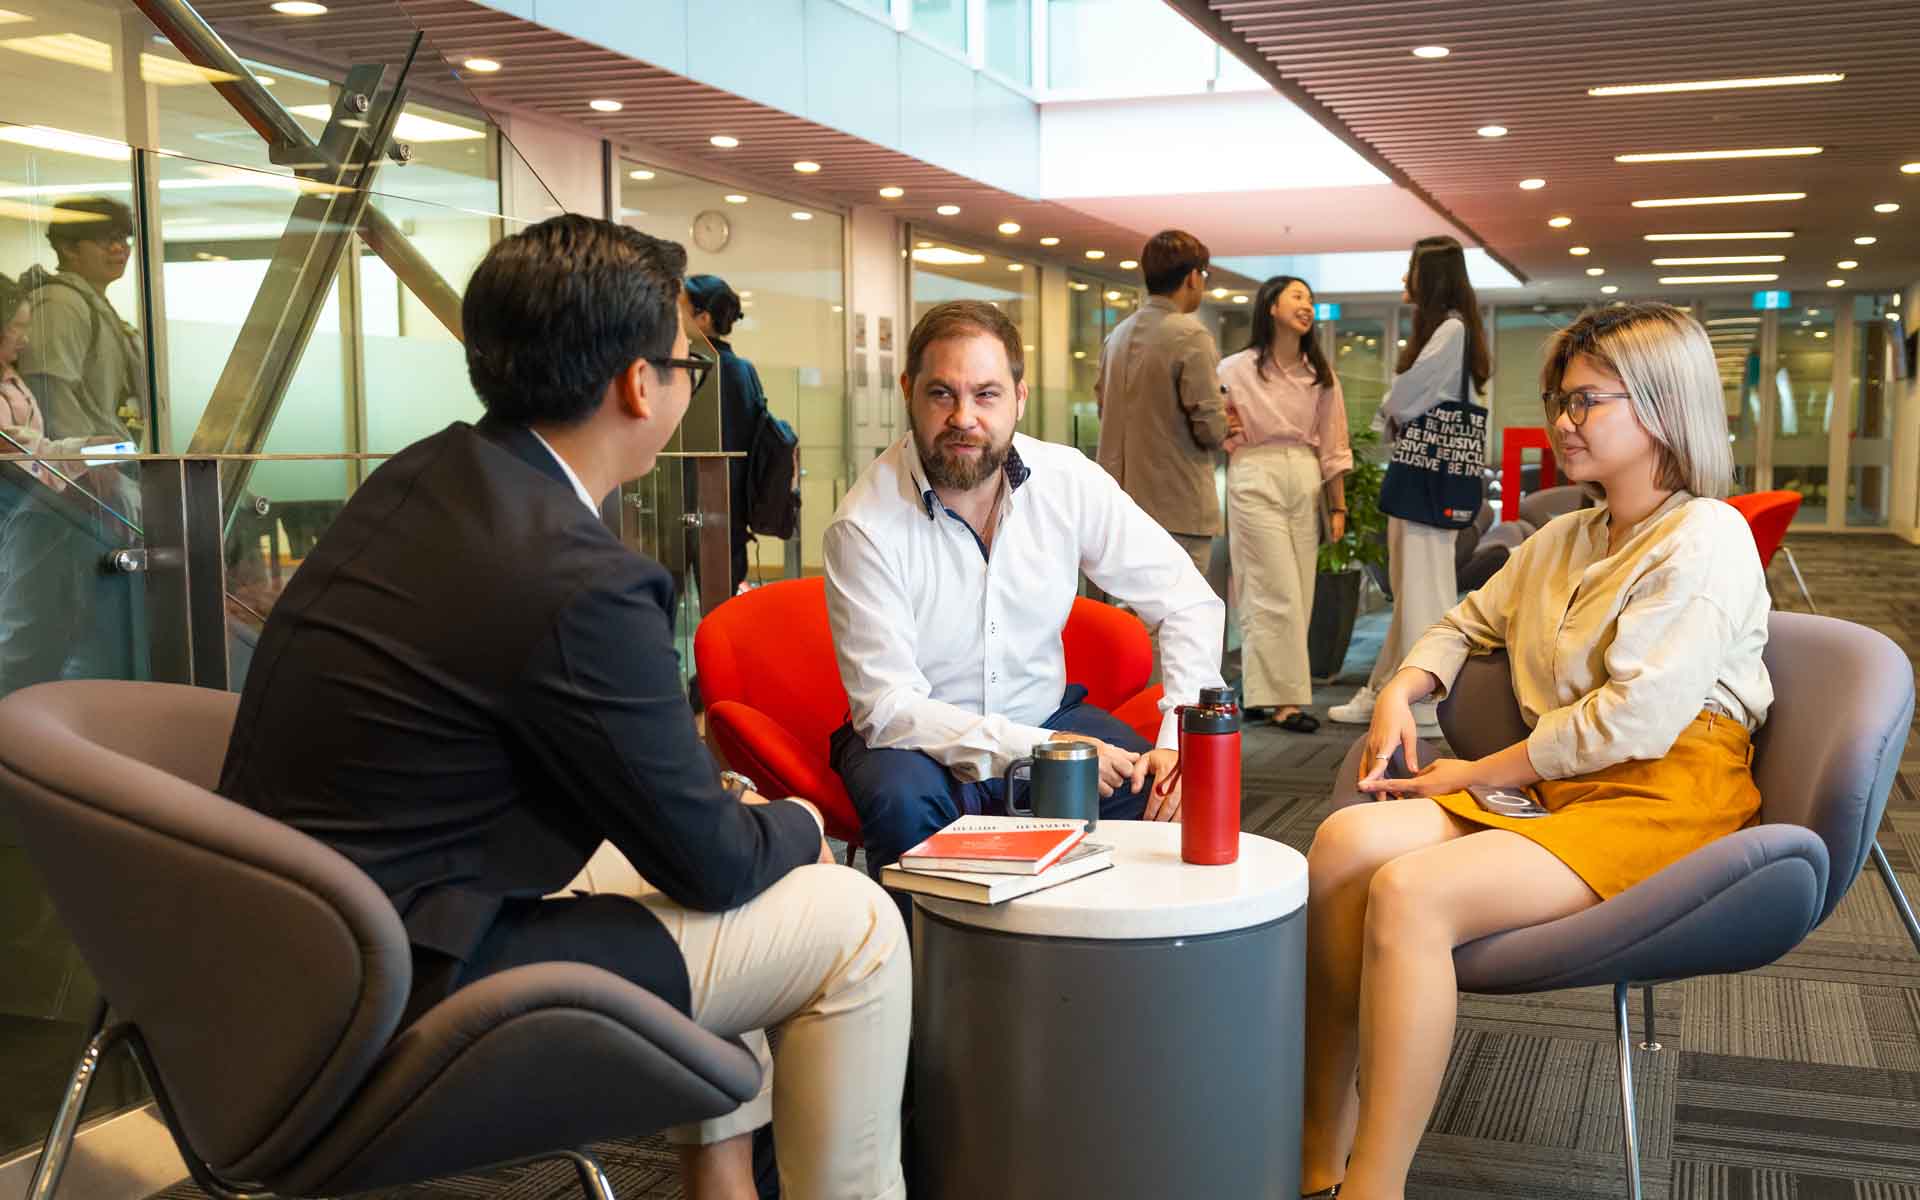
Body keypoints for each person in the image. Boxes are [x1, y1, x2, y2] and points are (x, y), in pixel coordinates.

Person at [218, 215, 910, 1200]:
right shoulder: (582, 578)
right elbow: (711, 867)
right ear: (639, 383)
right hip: (408, 987)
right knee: (852, 918)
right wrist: (797, 823)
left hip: (292, 942)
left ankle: (723, 1185)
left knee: (717, 867)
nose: (683, 384)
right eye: (687, 367)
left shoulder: (419, 479)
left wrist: (730, 829)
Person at [1298, 302, 1771, 1199]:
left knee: (1410, 891)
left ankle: (1375, 1186)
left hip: (1667, 793)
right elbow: (1459, 621)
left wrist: (1472, 772)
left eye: (1587, 400)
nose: (1563, 419)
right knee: (1342, 846)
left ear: (1662, 407)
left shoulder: (1707, 535)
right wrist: (1403, 688)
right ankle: (1321, 1145)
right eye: (1561, 398)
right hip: (1564, 783)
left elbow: (1635, 723)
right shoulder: (1564, 537)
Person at [825, 299, 1226, 877]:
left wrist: (1176, 741)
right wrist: (1040, 747)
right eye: (942, 393)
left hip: (1044, 716)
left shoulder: (1067, 482)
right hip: (916, 738)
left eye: (986, 394)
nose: (964, 416)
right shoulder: (865, 524)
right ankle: (926, 966)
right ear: (908, 390)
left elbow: (1186, 600)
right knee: (903, 809)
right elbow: (887, 709)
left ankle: (1092, 956)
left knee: (1160, 798)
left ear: (1019, 396)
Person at [1329, 235, 1489, 731]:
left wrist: (1385, 416)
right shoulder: (1453, 331)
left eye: (1412, 269)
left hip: (1425, 483)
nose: (1405, 279)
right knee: (1411, 590)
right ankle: (1386, 692)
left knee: (1421, 592)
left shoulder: (1451, 330)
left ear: (1431, 277)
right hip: (1425, 481)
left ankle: (1425, 702)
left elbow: (1407, 395)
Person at [1218, 276, 1351, 734]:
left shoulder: (1320, 373)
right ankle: (1286, 701)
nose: (1307, 305)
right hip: (1255, 469)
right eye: (1297, 296)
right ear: (1271, 307)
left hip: (1305, 472)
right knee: (1273, 589)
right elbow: (1217, 425)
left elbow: (1335, 445)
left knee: (1299, 589)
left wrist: (1339, 507)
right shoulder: (1234, 369)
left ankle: (1261, 693)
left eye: (1311, 299)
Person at [1094, 228, 1232, 580]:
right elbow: (1211, 429)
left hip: (1120, 506)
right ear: (1192, 278)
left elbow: (1102, 407)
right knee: (1178, 621)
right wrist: (1228, 419)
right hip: (1177, 506)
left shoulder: (1117, 336)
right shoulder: (1190, 334)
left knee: (1134, 619)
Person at [0, 273, 97, 695]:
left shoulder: (12, 378)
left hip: (29, 514)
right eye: (16, 329)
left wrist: (79, 449)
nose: (24, 340)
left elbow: (30, 448)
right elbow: (19, 458)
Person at [17, 196, 146, 450]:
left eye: (123, 238)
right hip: (86, 470)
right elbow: (50, 393)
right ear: (69, 248)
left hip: (109, 458)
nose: (119, 248)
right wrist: (86, 462)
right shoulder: (60, 304)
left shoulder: (91, 302)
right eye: (105, 240)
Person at [684, 274, 770, 596]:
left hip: (707, 509)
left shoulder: (701, 370)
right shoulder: (740, 370)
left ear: (703, 319)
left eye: (682, 307)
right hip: (728, 514)